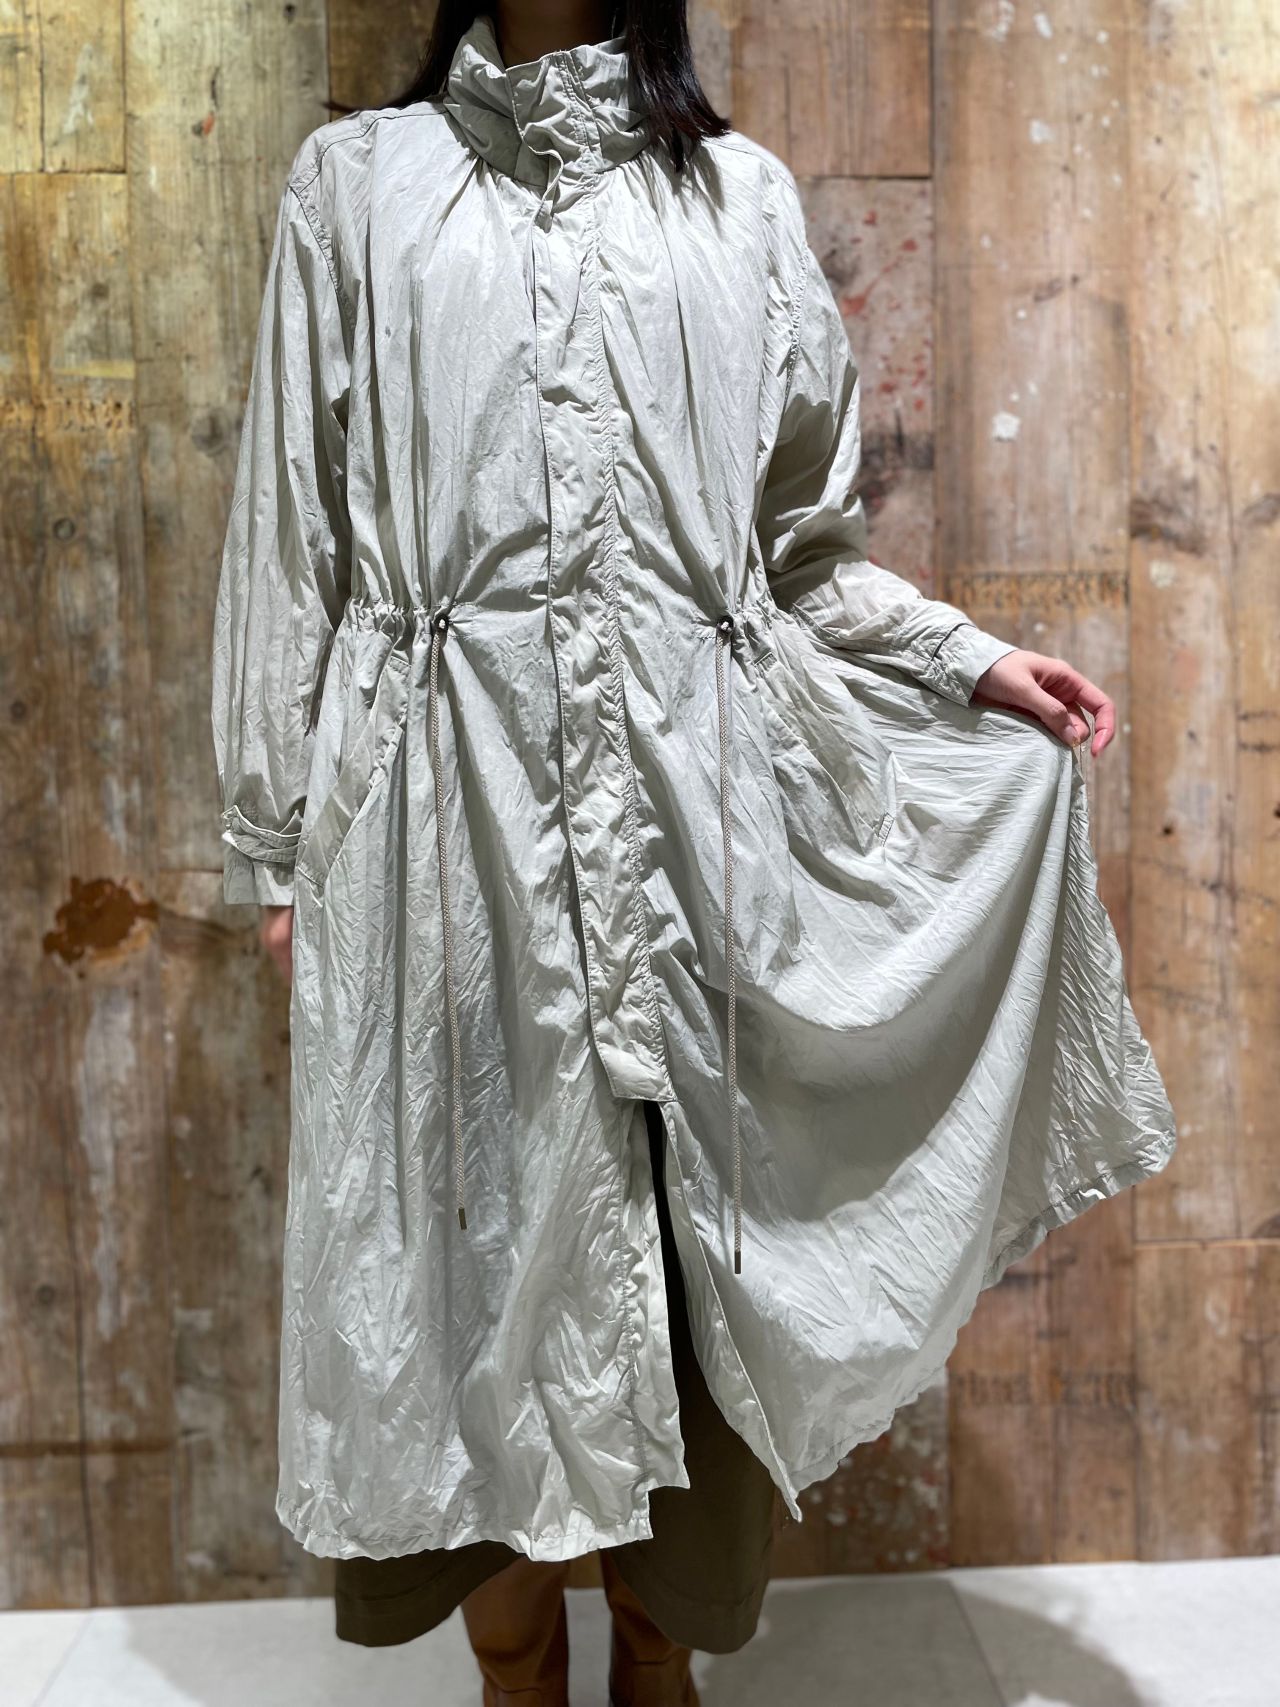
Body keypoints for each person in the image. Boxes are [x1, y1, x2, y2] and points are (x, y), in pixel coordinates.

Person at [209, 2, 1179, 1701]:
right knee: (462, 1269)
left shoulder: (738, 200)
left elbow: (800, 553)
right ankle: (515, 1673)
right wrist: (278, 848)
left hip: (696, 835)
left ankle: (660, 1664)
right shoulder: (356, 184)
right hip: (443, 841)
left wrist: (961, 660)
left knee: (685, 1266)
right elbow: (292, 538)